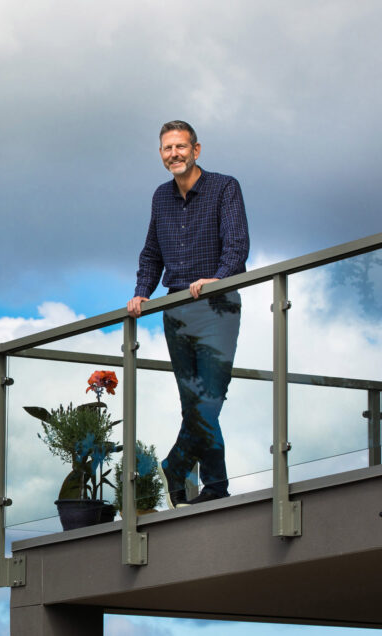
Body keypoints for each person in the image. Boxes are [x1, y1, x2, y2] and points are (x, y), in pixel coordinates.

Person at [126, 120, 249, 508]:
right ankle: (215, 486)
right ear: (161, 154)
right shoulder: (160, 198)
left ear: (196, 150)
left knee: (209, 399)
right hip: (176, 312)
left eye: (181, 147)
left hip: (216, 306)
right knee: (193, 405)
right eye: (167, 148)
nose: (174, 154)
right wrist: (141, 294)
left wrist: (218, 278)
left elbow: (237, 246)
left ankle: (175, 465)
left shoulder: (224, 187)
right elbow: (152, 253)